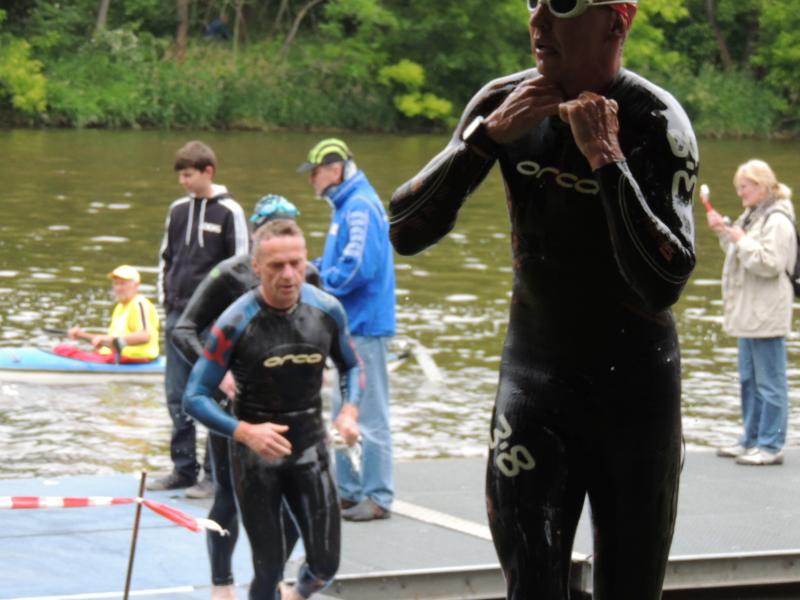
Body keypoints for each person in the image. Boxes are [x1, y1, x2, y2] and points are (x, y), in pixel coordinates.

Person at [389, 1, 697, 598]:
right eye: (532, 2)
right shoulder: (503, 103)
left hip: (637, 395)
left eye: (562, 5)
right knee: (530, 586)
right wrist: (484, 141)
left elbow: (666, 281)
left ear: (617, 21)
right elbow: (404, 230)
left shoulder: (656, 120)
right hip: (535, 382)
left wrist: (606, 157)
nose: (539, 21)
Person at [184, 219, 362, 600]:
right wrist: (244, 432)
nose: (289, 275)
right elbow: (194, 397)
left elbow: (351, 365)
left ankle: (296, 594)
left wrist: (349, 410)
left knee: (326, 565)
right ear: (257, 267)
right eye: (277, 266)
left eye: (296, 263)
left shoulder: (327, 310)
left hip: (310, 448)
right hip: (255, 456)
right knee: (268, 568)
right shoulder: (234, 322)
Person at [172, 195, 317, 600]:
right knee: (229, 497)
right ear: (256, 238)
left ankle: (270, 579)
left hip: (287, 404)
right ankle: (221, 584)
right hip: (234, 403)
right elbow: (183, 330)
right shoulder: (228, 273)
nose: (286, 269)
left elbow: (321, 329)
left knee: (293, 502)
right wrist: (216, 373)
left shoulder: (309, 275)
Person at [297, 138, 396, 522]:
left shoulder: (360, 207)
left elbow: (358, 267)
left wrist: (320, 284)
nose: (311, 180)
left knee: (368, 413)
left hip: (365, 325)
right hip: (348, 324)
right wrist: (309, 268)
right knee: (342, 410)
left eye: (315, 172)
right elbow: (338, 260)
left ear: (335, 170)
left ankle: (377, 496)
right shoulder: (346, 205)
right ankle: (349, 492)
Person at [151, 140, 249, 496]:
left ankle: (214, 474)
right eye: (180, 175)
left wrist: (232, 319)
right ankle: (183, 469)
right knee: (177, 394)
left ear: (209, 172)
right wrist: (166, 303)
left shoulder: (230, 211)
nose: (183, 181)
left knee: (213, 394)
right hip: (178, 316)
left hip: (215, 322)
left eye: (189, 175)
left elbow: (242, 267)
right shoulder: (177, 210)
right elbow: (166, 259)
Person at [708, 160, 795, 466]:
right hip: (749, 314)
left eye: (744, 187)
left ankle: (771, 446)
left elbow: (770, 263)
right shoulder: (753, 215)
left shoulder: (778, 220)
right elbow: (741, 255)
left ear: (761, 185)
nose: (740, 193)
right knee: (749, 380)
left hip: (766, 313)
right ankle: (750, 439)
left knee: (770, 384)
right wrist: (724, 234)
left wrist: (740, 239)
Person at [55, 265, 159, 364]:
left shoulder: (140, 304)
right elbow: (111, 340)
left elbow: (144, 336)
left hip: (135, 359)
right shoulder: (120, 307)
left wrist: (110, 340)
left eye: (123, 284)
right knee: (63, 349)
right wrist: (81, 335)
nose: (118, 288)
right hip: (118, 356)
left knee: (64, 350)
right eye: (116, 284)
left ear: (136, 286)